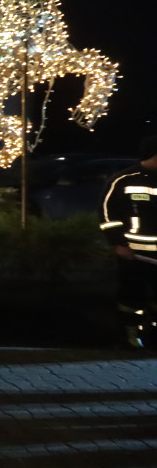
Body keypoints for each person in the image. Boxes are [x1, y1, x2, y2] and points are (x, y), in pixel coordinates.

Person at [100, 136, 157, 349]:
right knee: (131, 297)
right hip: (134, 254)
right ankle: (129, 336)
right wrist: (118, 244)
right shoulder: (123, 180)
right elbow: (107, 214)